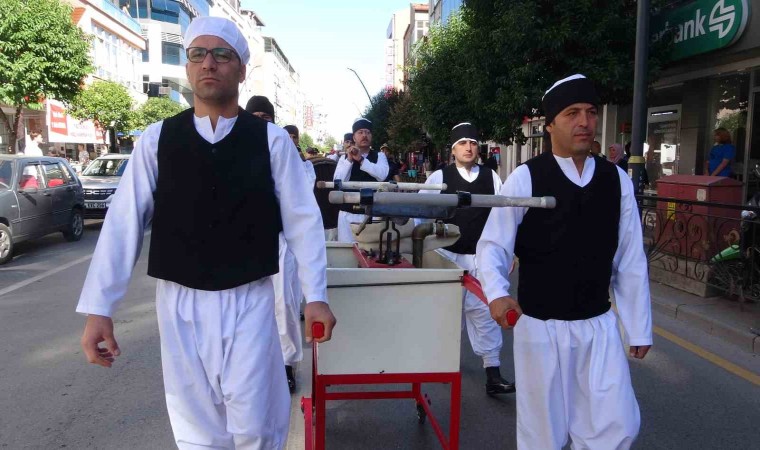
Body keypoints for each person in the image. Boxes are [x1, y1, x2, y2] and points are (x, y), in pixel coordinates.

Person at [76, 17, 336, 449]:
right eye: (198, 54)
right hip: (179, 305)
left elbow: (302, 223)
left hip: (250, 300)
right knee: (196, 431)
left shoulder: (271, 142)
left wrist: (316, 297)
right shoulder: (156, 140)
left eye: (221, 54)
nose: (208, 63)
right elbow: (123, 224)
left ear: (241, 69)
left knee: (257, 425)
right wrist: (99, 310)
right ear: (188, 66)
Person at [477, 74, 651, 450]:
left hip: (599, 326)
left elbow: (630, 258)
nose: (585, 122)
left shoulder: (616, 180)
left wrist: (638, 327)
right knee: (544, 434)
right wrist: (496, 293)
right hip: (541, 328)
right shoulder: (526, 178)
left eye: (591, 112)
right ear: (550, 124)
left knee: (616, 425)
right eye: (572, 113)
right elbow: (492, 246)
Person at [417, 123, 515, 396]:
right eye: (462, 143)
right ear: (453, 149)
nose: (468, 148)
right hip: (446, 255)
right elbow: (420, 213)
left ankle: (492, 373)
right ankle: (440, 368)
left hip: (482, 257)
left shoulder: (491, 177)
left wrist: (509, 251)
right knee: (447, 313)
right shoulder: (440, 177)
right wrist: (422, 251)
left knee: (485, 312)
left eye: (472, 142)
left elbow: (504, 216)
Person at [332, 118, 389, 242]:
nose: (364, 135)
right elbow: (338, 180)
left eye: (367, 132)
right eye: (360, 132)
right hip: (347, 214)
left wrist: (362, 160)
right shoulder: (344, 158)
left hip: (372, 214)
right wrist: (349, 160)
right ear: (354, 137)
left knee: (371, 250)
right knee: (347, 251)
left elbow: (382, 175)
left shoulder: (379, 156)